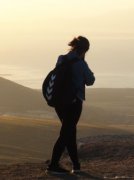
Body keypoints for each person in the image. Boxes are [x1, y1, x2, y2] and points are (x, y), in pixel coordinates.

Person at [46, 36, 95, 174]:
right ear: (85, 49)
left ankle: (76, 166)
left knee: (70, 132)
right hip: (73, 103)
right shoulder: (80, 63)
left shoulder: (61, 58)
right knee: (66, 133)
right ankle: (53, 165)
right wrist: (84, 66)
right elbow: (90, 80)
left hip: (59, 102)